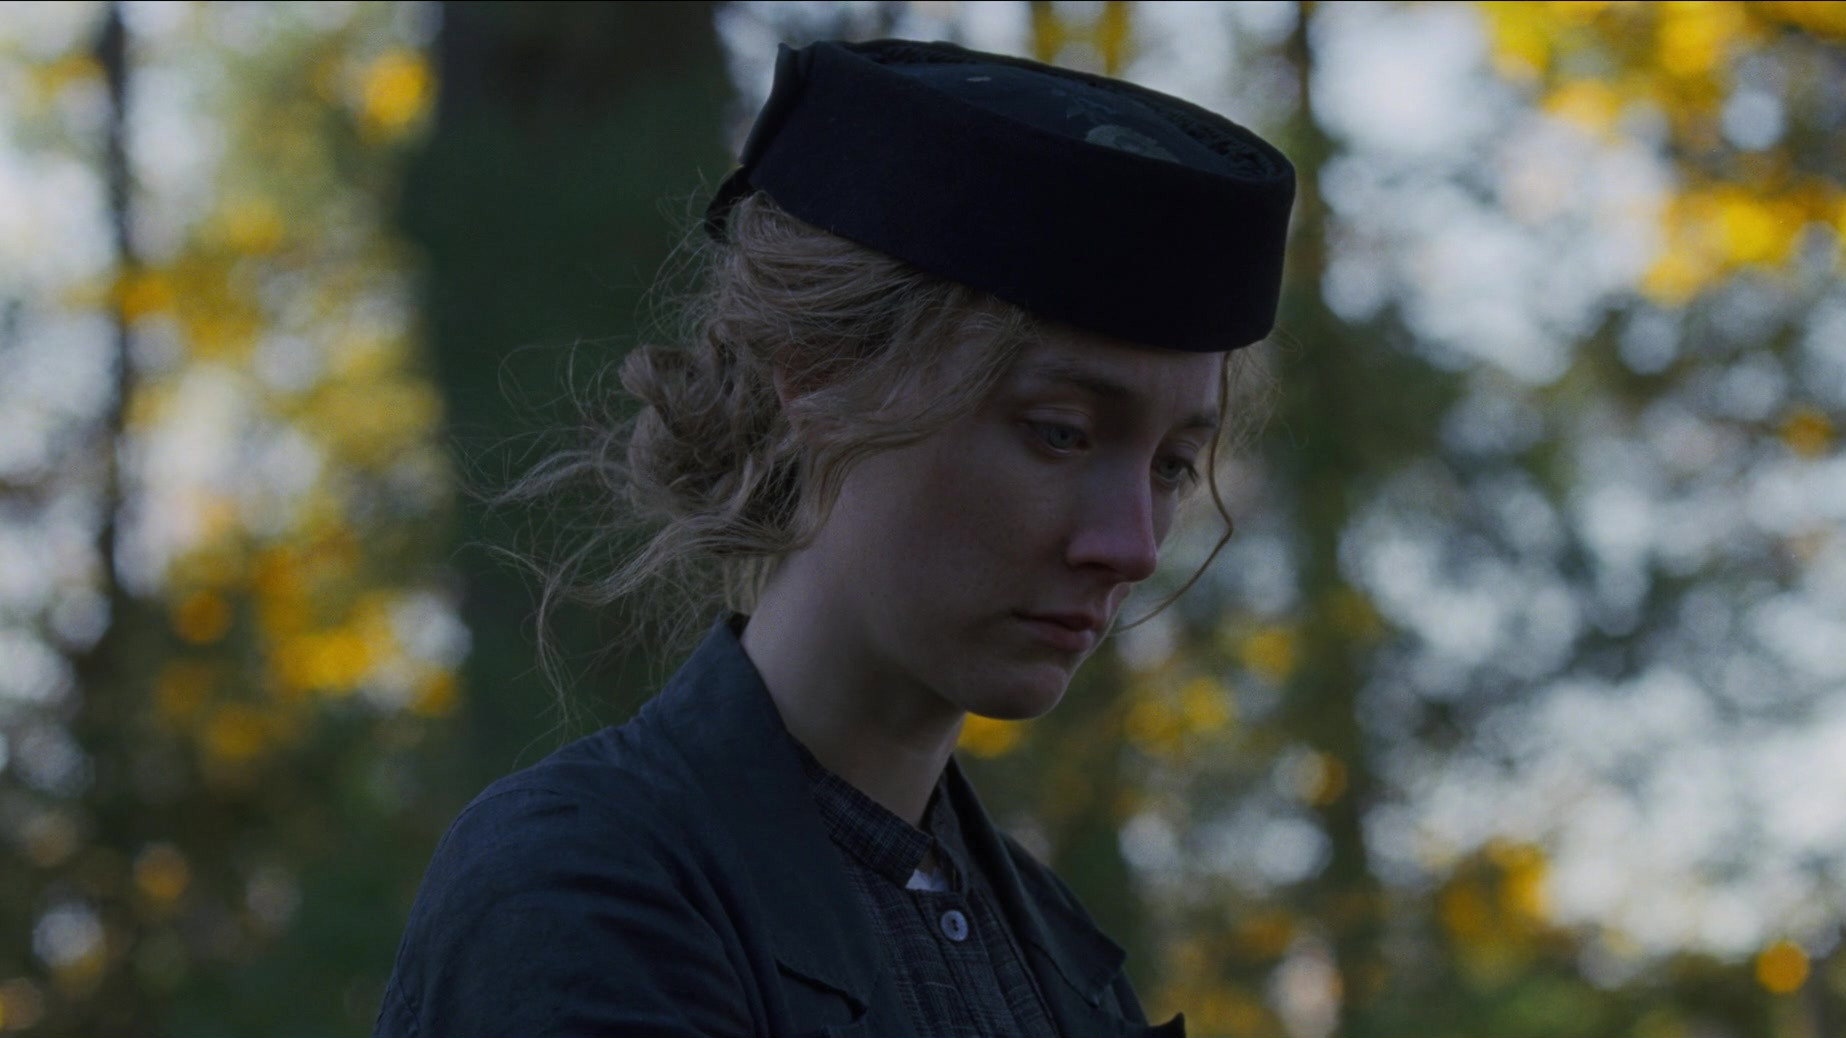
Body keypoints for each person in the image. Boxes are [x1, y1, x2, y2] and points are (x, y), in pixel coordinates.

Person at [375, 36, 1293, 1038]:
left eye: (1172, 466)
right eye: (1059, 433)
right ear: (817, 372)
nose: (1133, 546)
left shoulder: (1061, 964)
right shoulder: (584, 890)